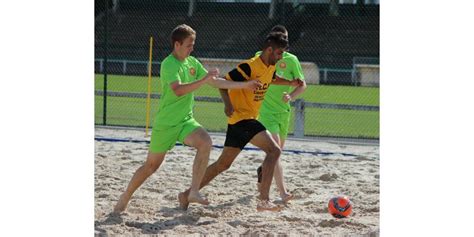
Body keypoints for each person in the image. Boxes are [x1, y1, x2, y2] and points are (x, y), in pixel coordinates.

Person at [113, 24, 261, 213]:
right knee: (151, 166)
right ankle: (125, 196)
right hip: (166, 123)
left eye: (193, 44)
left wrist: (245, 85)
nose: (192, 48)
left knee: (205, 142)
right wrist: (203, 80)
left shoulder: (192, 62)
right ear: (177, 44)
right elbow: (178, 90)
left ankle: (193, 191)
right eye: (189, 45)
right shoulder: (168, 64)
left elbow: (215, 82)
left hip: (185, 121)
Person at [178, 32, 303, 212]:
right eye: (279, 53)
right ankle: (263, 200)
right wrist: (227, 104)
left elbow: (272, 79)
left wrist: (291, 81)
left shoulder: (270, 66)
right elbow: (223, 83)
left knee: (223, 165)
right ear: (269, 49)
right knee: (274, 150)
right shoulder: (249, 66)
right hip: (242, 119)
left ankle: (186, 194)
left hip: (244, 121)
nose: (281, 57)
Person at [256, 25, 307, 203]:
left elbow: (302, 84)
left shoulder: (292, 60)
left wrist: (291, 96)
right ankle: (283, 192)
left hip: (283, 113)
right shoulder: (260, 57)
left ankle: (262, 172)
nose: (283, 44)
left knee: (276, 153)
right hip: (265, 112)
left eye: (285, 41)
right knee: (276, 151)